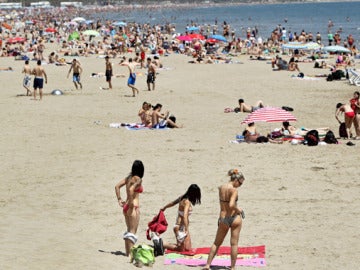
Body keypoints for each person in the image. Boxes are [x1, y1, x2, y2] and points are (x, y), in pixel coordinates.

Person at [202, 169, 245, 270]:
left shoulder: (221, 187)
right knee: (234, 244)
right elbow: (231, 204)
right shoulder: (234, 190)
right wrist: (238, 209)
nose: (240, 185)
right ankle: (233, 267)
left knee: (216, 243)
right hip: (234, 218)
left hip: (223, 218)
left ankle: (207, 264)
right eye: (240, 183)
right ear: (236, 180)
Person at [114, 160, 144, 256]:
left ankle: (127, 253)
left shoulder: (128, 178)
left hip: (125, 206)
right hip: (132, 206)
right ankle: (130, 254)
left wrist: (119, 199)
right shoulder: (138, 179)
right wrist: (131, 204)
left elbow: (117, 186)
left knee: (128, 229)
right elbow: (131, 190)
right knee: (132, 231)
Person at [160, 184, 201, 251]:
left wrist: (164, 207)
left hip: (182, 227)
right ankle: (162, 244)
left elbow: (172, 203)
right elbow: (185, 216)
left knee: (187, 248)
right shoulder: (187, 202)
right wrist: (187, 230)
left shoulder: (182, 197)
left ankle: (177, 244)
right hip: (179, 228)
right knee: (181, 249)